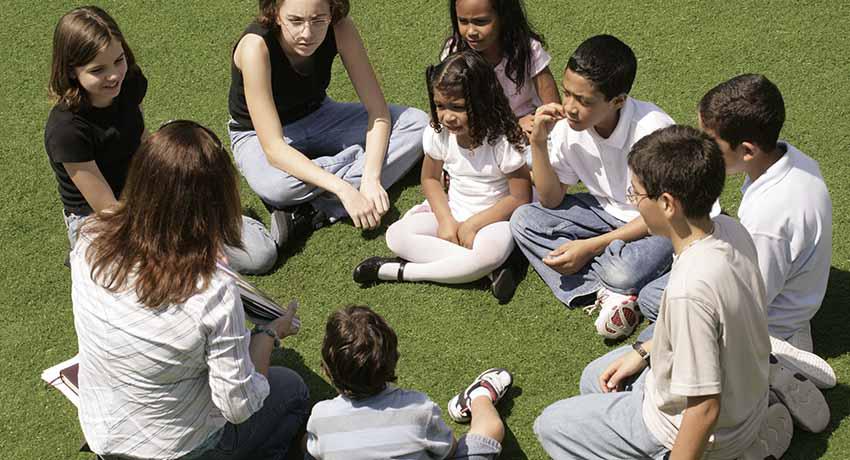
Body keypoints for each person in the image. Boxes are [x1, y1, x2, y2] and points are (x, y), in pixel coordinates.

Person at [534, 125, 827, 460]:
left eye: (636, 195)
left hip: (697, 430)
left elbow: (703, 410)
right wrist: (643, 352)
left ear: (668, 204)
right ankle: (757, 428)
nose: (635, 203)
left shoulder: (690, 288)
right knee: (593, 380)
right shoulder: (732, 231)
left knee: (550, 424)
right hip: (747, 397)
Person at [70, 121, 309, 460]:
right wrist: (269, 333)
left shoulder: (90, 238)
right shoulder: (211, 292)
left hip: (105, 431)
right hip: (179, 448)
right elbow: (238, 406)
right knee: (291, 391)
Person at [635, 74, 837, 389]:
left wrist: (648, 349)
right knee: (652, 297)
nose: (700, 147)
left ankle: (778, 370)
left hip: (765, 326)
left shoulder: (769, 219)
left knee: (654, 363)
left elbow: (743, 303)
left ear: (746, 150)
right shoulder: (791, 159)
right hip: (781, 297)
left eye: (709, 139)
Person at [45, 6, 277, 274]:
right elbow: (108, 209)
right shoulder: (66, 130)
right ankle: (83, 253)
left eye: (119, 60)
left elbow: (144, 141)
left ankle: (231, 226)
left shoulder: (129, 82)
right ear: (72, 71)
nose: (113, 76)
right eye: (98, 70)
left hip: (148, 189)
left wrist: (172, 188)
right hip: (101, 218)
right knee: (144, 277)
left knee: (260, 255)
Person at [509, 35, 674, 338]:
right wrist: (539, 143)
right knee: (523, 220)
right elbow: (550, 199)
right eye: (568, 94)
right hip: (605, 211)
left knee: (621, 272)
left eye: (584, 101)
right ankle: (611, 292)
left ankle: (617, 283)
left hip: (661, 226)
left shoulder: (653, 131)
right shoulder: (570, 127)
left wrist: (590, 247)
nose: (570, 107)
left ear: (618, 101)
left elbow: (665, 216)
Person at [228, 0, 428, 245]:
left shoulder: (341, 28)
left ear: (331, 13)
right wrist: (344, 189)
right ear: (276, 15)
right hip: (256, 135)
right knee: (276, 186)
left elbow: (378, 111)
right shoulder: (255, 47)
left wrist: (371, 178)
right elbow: (274, 149)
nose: (307, 33)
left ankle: (310, 209)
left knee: (417, 125)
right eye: (295, 21)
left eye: (318, 20)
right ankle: (367, 161)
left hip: (320, 114)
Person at [352, 51, 531, 303]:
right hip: (453, 211)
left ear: (482, 101)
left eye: (457, 107)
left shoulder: (502, 141)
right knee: (396, 236)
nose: (447, 116)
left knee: (488, 253)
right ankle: (483, 272)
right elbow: (431, 179)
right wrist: (446, 220)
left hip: (494, 221)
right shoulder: (439, 133)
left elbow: (521, 197)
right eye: (440, 106)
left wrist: (473, 225)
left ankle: (398, 271)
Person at [306, 305, 512, 459]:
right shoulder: (418, 408)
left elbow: (312, 451)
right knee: (490, 429)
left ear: (326, 370)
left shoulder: (319, 417)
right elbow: (448, 452)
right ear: (393, 360)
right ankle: (479, 397)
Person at [442, 0, 559, 139]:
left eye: (481, 21)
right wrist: (514, 125)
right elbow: (456, 111)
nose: (471, 31)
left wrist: (538, 124)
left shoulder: (527, 49)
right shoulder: (454, 54)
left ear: (504, 18)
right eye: (463, 21)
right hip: (484, 133)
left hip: (530, 125)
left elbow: (553, 106)